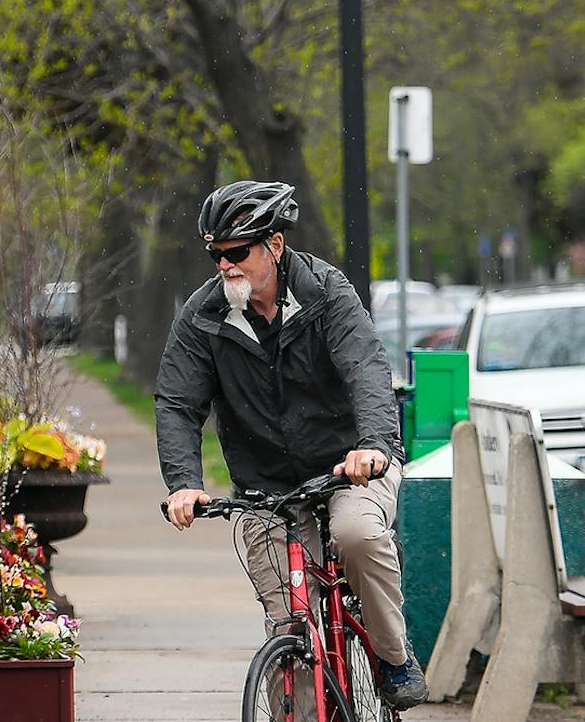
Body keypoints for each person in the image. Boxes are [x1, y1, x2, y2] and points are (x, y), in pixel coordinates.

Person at [154, 180, 428, 709]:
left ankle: (393, 658)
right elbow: (177, 402)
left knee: (357, 536)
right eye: (216, 255)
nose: (225, 266)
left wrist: (372, 445)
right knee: (289, 622)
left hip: (349, 465)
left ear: (275, 246)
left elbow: (366, 369)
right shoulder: (203, 316)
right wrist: (185, 484)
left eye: (238, 252)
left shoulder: (326, 292)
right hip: (266, 486)